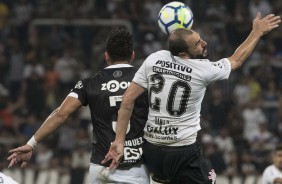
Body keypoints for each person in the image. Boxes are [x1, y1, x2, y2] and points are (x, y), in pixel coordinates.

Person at [102, 13, 281, 184]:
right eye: (197, 43)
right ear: (183, 55)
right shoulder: (203, 70)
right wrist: (256, 32)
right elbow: (236, 61)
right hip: (182, 151)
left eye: (200, 38)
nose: (204, 43)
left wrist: (119, 141)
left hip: (153, 149)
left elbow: (127, 100)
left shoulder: (154, 59)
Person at [7, 28, 150, 184]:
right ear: (132, 55)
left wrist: (31, 144)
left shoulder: (90, 83)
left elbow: (61, 114)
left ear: (106, 56)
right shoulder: (145, 82)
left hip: (101, 168)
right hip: (136, 168)